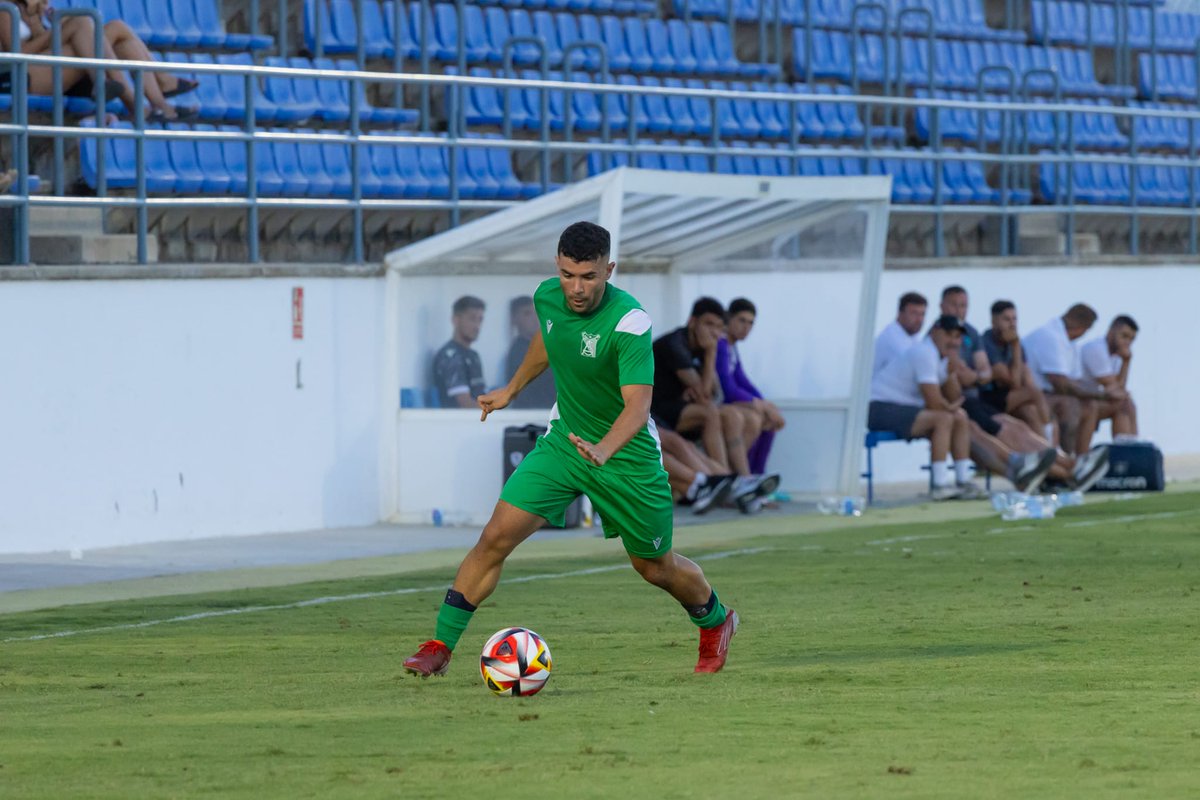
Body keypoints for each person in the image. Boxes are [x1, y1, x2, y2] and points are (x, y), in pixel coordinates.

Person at [402, 221, 740, 678]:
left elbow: (638, 408)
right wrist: (512, 389)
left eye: (588, 277)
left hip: (627, 459)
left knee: (655, 567)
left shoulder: (630, 321)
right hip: (564, 445)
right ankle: (439, 645)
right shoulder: (547, 296)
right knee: (495, 537)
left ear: (609, 270)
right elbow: (548, 338)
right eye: (567, 274)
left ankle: (717, 620)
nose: (576, 288)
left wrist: (603, 450)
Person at [868, 314, 1057, 500]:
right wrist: (951, 405)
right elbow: (935, 403)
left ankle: (962, 481)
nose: (954, 341)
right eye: (949, 334)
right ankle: (940, 485)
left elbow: (954, 397)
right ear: (935, 332)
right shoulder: (924, 353)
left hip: (902, 409)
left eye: (958, 337)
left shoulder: (942, 359)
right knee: (945, 418)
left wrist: (951, 374)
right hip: (879, 409)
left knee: (960, 417)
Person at [652, 297, 778, 513]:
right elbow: (708, 395)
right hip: (655, 410)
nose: (713, 332)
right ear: (693, 322)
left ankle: (732, 482)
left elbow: (712, 393)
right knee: (711, 415)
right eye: (709, 324)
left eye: (719, 327)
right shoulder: (675, 344)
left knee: (702, 432)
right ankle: (729, 482)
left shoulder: (708, 347)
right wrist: (711, 354)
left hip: (677, 413)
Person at [0, 0, 198, 121]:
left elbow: (43, 44)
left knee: (116, 28)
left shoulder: (32, 8)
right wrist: (58, 30)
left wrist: (39, 20)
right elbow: (18, 53)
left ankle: (157, 98)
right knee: (82, 22)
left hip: (48, 68)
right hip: (20, 76)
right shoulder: (5, 9)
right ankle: (136, 104)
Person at [1023, 304, 1107, 456]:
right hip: (1031, 396)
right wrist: (1102, 394)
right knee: (1069, 404)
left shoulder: (1070, 343)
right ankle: (1067, 462)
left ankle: (1082, 461)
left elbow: (1074, 381)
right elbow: (1061, 384)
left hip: (1048, 395)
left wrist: (1097, 394)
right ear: (1083, 328)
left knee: (1090, 406)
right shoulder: (1050, 336)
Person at [716, 297, 785, 475]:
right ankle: (741, 479)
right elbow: (728, 389)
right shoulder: (721, 344)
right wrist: (759, 405)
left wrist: (765, 404)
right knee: (756, 419)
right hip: (716, 403)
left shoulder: (732, 347)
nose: (746, 327)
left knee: (768, 418)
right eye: (741, 320)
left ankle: (758, 479)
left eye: (751, 323)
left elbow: (742, 380)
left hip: (728, 403)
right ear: (728, 318)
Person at [1079, 315, 1139, 439]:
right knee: (1124, 403)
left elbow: (1119, 388)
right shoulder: (1095, 349)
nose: (1127, 342)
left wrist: (1126, 362)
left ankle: (1133, 447)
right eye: (1124, 336)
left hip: (1093, 399)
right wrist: (1126, 361)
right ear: (1111, 331)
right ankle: (1128, 448)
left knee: (1126, 404)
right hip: (1079, 400)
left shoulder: (1117, 356)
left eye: (1131, 339)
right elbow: (1113, 388)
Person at [432, 295, 486, 409]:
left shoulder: (474, 356)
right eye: (472, 319)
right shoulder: (450, 356)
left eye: (480, 320)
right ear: (455, 320)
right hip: (458, 424)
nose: (477, 326)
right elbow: (465, 404)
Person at [504, 295, 556, 409]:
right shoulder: (519, 351)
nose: (534, 318)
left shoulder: (543, 345)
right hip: (530, 414)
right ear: (515, 319)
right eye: (527, 314)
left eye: (536, 312)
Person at [873, 292, 927, 375]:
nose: (919, 319)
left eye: (922, 314)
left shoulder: (912, 336)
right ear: (900, 313)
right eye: (914, 313)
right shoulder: (892, 340)